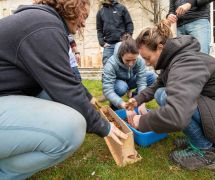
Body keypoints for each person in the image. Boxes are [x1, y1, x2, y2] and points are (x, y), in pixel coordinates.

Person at [0, 0, 127, 179]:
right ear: (71, 6)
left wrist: (87, 96)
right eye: (84, 15)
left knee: (57, 100)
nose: (83, 22)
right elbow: (65, 89)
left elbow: (62, 75)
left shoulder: (40, 20)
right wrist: (103, 126)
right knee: (72, 127)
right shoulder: (45, 27)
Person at [126, 20, 215, 170]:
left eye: (147, 58)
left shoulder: (186, 62)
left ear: (160, 47)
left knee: (166, 96)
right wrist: (138, 99)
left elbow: (176, 114)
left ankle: (206, 152)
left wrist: (142, 121)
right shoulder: (175, 59)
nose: (146, 63)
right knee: (162, 92)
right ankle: (199, 139)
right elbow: (158, 85)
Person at [102, 35, 157, 120]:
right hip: (118, 83)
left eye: (134, 60)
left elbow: (141, 82)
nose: (131, 63)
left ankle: (134, 99)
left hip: (130, 80)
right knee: (122, 87)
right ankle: (114, 103)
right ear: (121, 55)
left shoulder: (139, 60)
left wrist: (141, 101)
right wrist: (123, 104)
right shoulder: (111, 64)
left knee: (152, 76)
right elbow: (107, 89)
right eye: (127, 60)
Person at [96, 0, 134, 102]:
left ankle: (128, 88)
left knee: (126, 66)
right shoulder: (100, 12)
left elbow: (129, 24)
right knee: (107, 66)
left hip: (122, 43)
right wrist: (102, 43)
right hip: (109, 45)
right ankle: (107, 92)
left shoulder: (121, 8)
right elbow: (99, 30)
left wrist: (127, 39)